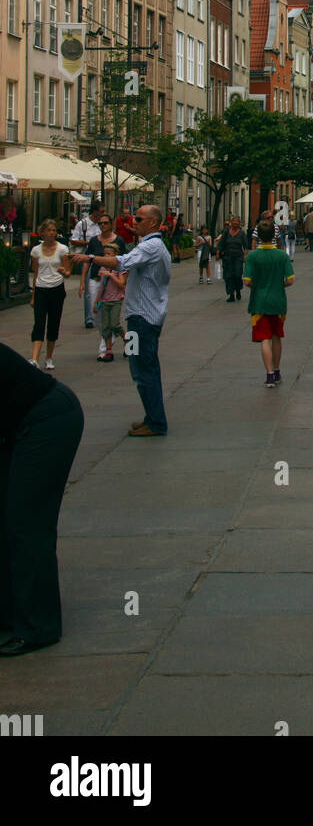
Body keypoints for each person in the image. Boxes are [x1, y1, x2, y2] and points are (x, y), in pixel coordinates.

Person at [0, 340, 85, 656]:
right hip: (16, 423)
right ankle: (10, 611)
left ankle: (39, 626)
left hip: (48, 419)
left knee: (27, 523)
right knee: (7, 518)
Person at [77, 204, 172, 437]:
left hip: (142, 319)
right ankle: (151, 416)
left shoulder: (151, 246)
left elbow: (120, 262)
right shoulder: (149, 245)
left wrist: (90, 257)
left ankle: (156, 422)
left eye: (139, 219)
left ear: (152, 223)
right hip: (138, 318)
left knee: (143, 369)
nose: (134, 222)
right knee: (139, 366)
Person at [243, 218, 294, 387]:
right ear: (274, 234)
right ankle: (278, 370)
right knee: (276, 336)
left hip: (259, 302)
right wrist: (280, 284)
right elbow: (290, 280)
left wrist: (259, 283)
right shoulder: (282, 256)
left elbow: (247, 281)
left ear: (258, 237)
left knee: (264, 339)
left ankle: (269, 374)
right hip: (278, 300)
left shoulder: (252, 256)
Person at [82, 211, 127, 359]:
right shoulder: (94, 241)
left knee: (114, 322)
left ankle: (111, 345)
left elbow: (125, 263)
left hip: (115, 289)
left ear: (111, 224)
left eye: (105, 223)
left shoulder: (118, 241)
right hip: (96, 280)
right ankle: (107, 343)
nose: (102, 225)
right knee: (99, 317)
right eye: (100, 223)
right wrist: (82, 281)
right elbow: (87, 261)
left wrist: (123, 280)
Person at [29, 220, 71, 370]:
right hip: (41, 289)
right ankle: (34, 358)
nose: (52, 233)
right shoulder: (35, 251)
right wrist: (33, 295)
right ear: (43, 233)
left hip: (56, 289)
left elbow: (68, 272)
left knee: (53, 323)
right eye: (49, 230)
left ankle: (49, 357)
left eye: (54, 230)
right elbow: (35, 273)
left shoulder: (62, 249)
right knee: (39, 323)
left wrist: (63, 272)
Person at [70, 201, 103, 329]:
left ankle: (100, 314)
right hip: (87, 256)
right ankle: (89, 318)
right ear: (95, 212)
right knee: (88, 287)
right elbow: (73, 240)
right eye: (101, 211)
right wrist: (87, 243)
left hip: (100, 257)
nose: (102, 214)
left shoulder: (101, 224)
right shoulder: (82, 224)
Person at [94, 244, 126, 361]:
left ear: (115, 255)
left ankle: (126, 339)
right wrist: (97, 302)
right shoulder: (102, 268)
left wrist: (111, 275)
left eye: (109, 254)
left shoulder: (119, 268)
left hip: (116, 300)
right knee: (105, 327)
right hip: (104, 300)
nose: (106, 256)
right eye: (104, 254)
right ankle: (108, 351)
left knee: (115, 324)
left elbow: (121, 285)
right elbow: (101, 287)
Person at [216, 217, 248, 302]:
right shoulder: (226, 232)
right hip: (227, 257)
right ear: (231, 223)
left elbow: (245, 246)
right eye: (233, 222)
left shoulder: (241, 233)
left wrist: (245, 256)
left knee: (237, 275)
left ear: (239, 224)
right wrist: (218, 252)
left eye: (237, 222)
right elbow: (221, 243)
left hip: (238, 257)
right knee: (228, 276)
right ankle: (231, 294)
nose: (235, 223)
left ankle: (238, 290)